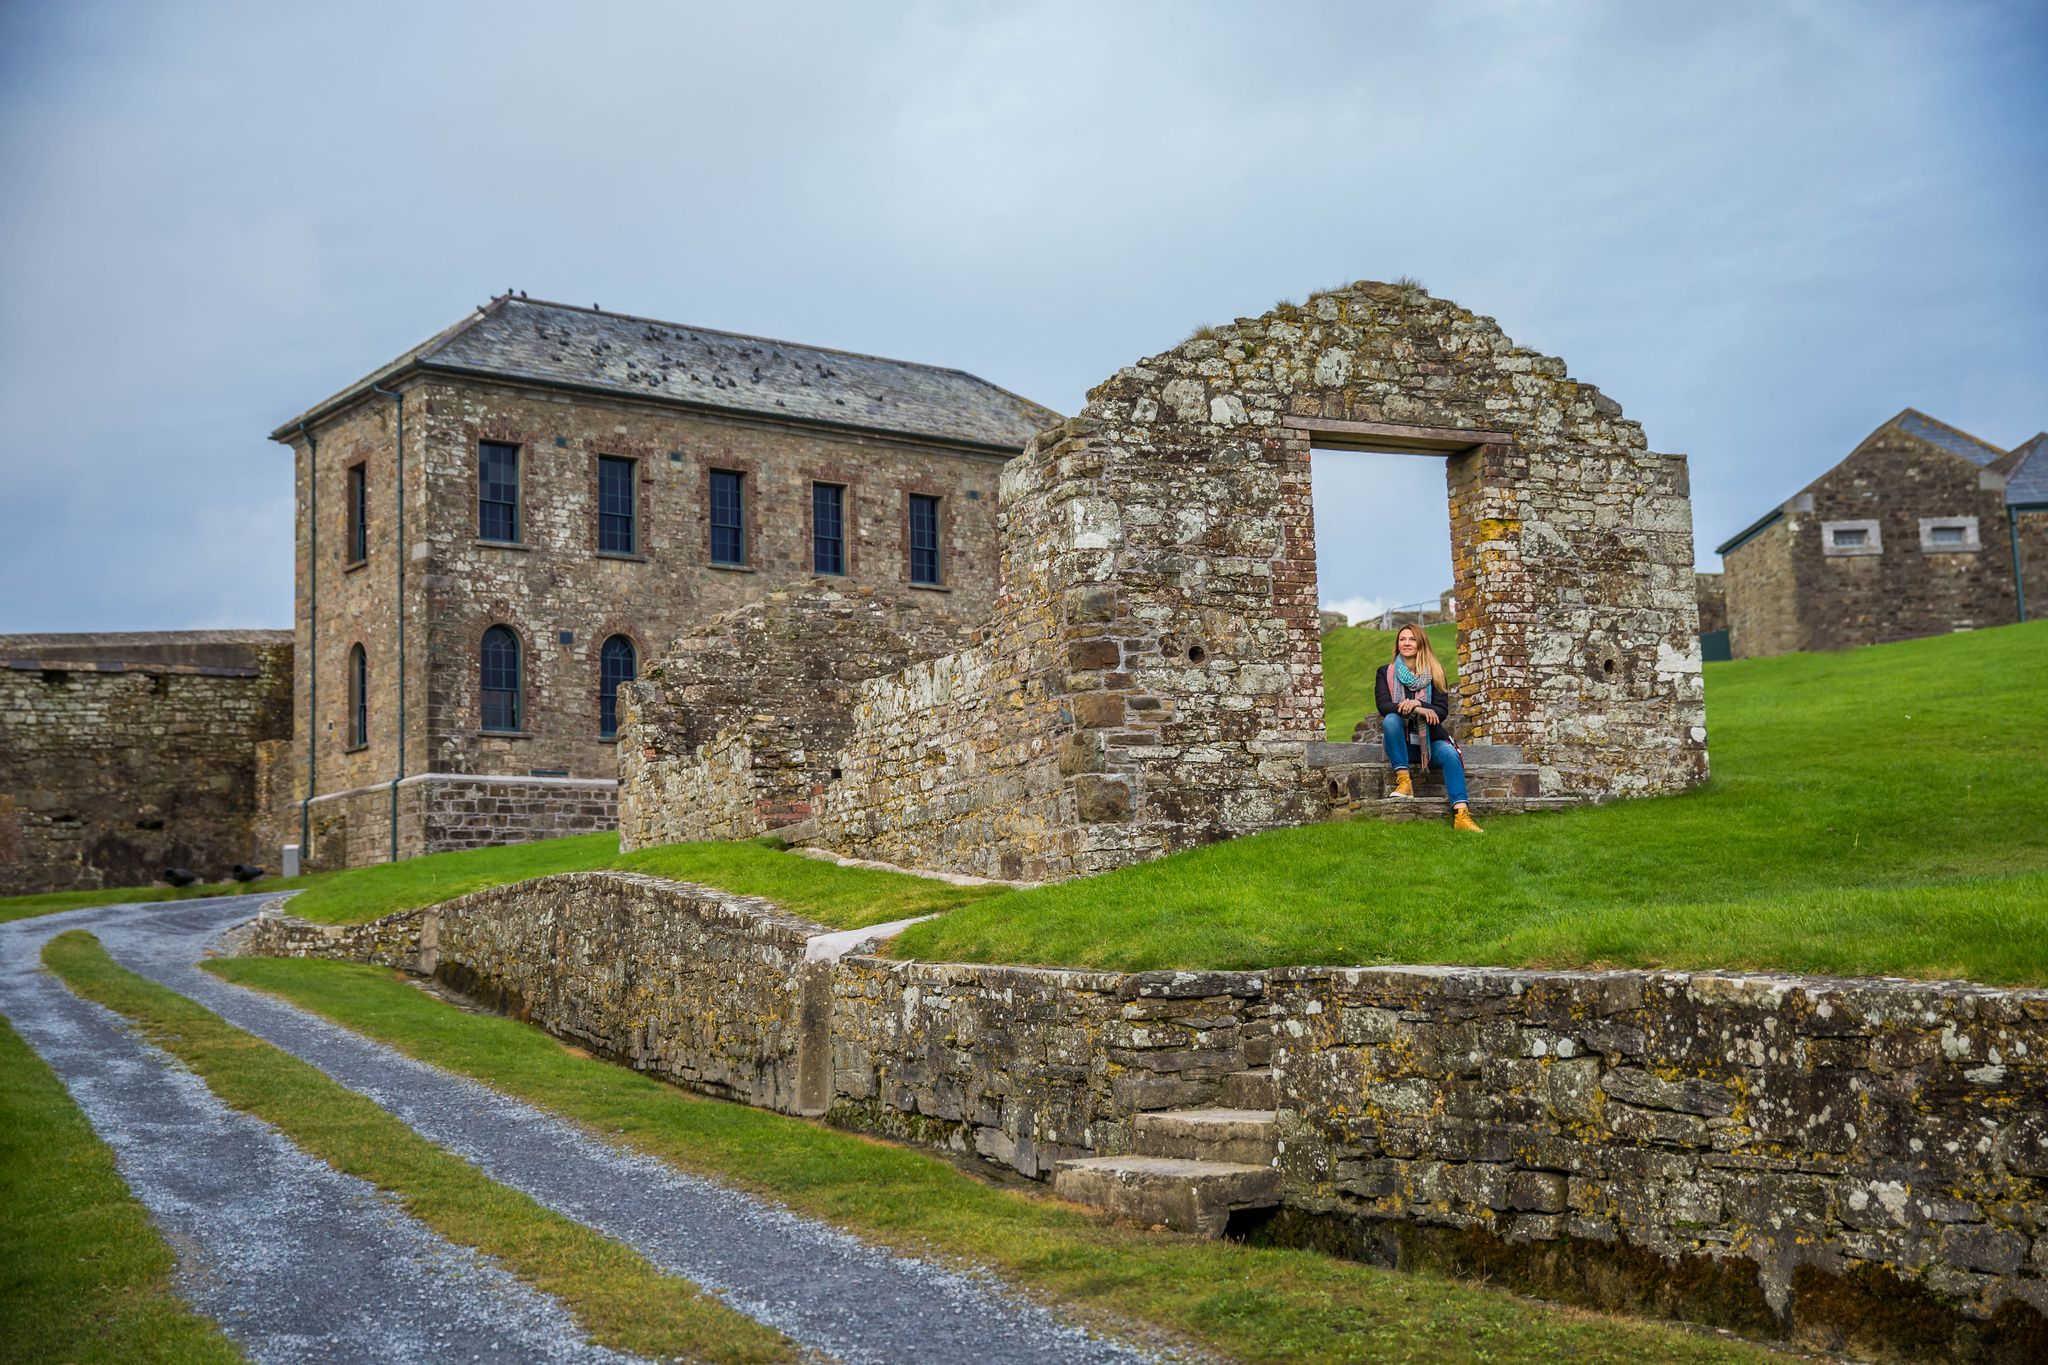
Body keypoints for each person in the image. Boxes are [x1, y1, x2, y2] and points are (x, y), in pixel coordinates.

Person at [1375, 625, 1483, 833]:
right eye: (1402, 639)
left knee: (1450, 754)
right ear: (1397, 644)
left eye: (1412, 639)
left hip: (1430, 743)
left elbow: (1441, 712)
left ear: (1421, 643)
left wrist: (1419, 703)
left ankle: (1462, 815)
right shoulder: (1385, 672)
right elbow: (1384, 706)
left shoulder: (1435, 673)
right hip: (1402, 745)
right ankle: (1404, 782)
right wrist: (1418, 709)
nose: (1406, 643)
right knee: (1391, 720)